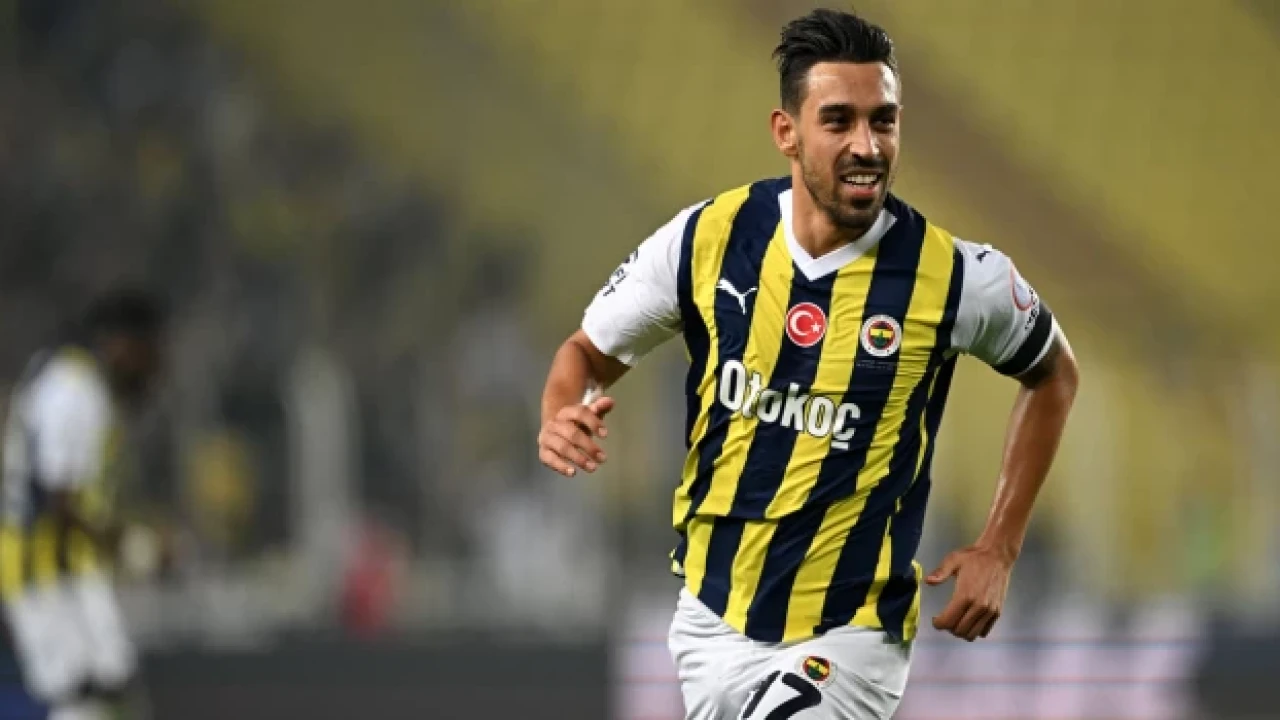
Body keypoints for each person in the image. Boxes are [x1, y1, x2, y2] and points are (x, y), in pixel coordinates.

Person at [539, 8, 1082, 719]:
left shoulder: (955, 277)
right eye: (839, 121)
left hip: (849, 634)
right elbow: (586, 352)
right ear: (786, 132)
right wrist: (562, 410)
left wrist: (999, 548)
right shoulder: (709, 238)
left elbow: (1053, 373)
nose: (867, 145)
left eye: (883, 121)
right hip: (710, 622)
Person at [1, 287, 167, 720]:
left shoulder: (79, 383)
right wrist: (122, 543)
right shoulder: (73, 387)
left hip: (66, 565)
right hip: (44, 568)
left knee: (110, 687)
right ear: (123, 344)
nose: (152, 367)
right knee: (83, 691)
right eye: (147, 352)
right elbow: (57, 491)